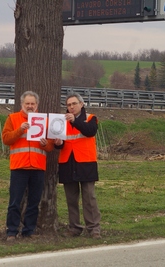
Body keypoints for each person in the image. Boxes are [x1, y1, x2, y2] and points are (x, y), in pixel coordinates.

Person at [2, 91, 54, 242]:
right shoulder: (13, 118)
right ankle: (11, 231)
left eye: (33, 104)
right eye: (27, 104)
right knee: (15, 202)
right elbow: (6, 139)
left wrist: (46, 144)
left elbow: (50, 147)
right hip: (19, 166)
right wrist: (20, 130)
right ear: (22, 104)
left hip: (37, 167)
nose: (30, 106)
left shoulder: (44, 121)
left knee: (34, 202)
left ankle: (29, 230)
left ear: (37, 105)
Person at [54, 93, 101, 239]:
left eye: (74, 104)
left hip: (86, 163)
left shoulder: (91, 118)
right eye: (68, 105)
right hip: (67, 163)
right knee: (71, 199)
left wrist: (74, 121)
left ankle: (93, 228)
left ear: (82, 104)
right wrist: (58, 144)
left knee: (89, 198)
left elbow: (89, 131)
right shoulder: (61, 121)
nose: (71, 107)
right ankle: (74, 227)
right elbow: (61, 144)